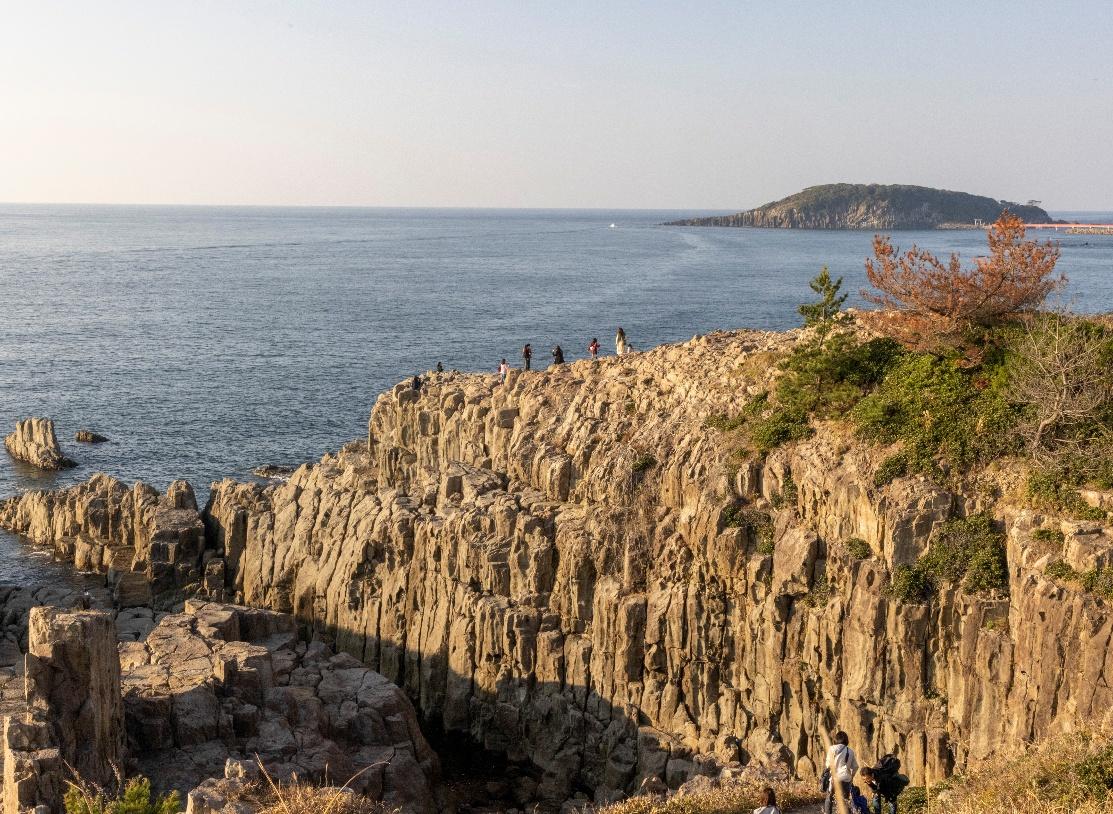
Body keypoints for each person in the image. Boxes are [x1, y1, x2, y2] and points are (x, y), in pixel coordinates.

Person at [823, 731, 859, 814]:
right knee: (845, 799)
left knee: (829, 797)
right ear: (846, 740)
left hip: (834, 779)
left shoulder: (832, 749)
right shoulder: (850, 751)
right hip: (846, 778)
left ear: (836, 739)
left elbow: (828, 765)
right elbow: (855, 766)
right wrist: (852, 776)